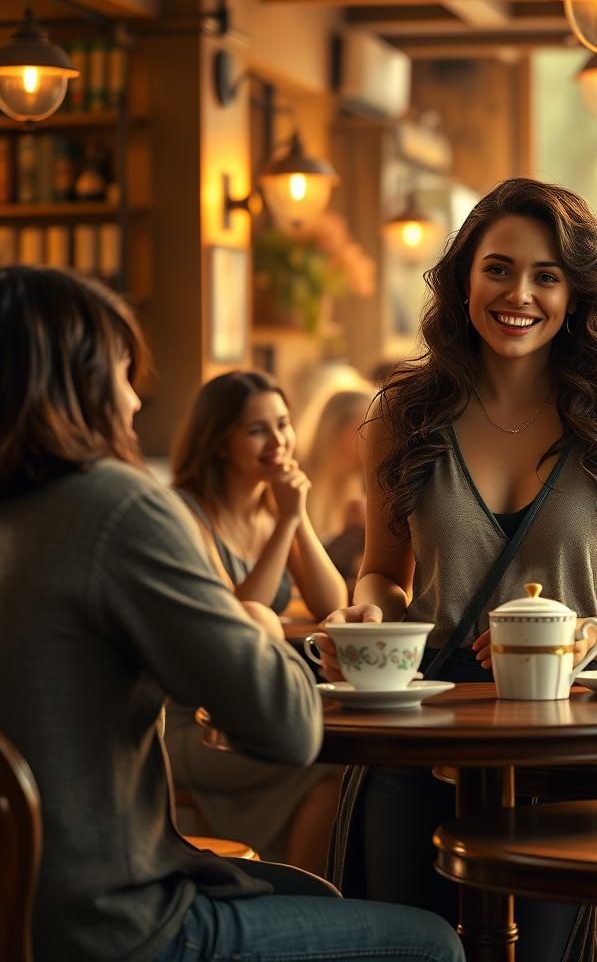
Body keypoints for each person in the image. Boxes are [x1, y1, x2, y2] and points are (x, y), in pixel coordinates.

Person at [0, 266, 464, 962]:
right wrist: (260, 627)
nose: (133, 399)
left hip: (23, 910)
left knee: (315, 898)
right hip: (111, 923)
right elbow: (285, 725)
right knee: (430, 943)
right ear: (76, 381)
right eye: (124, 372)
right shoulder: (117, 507)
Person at [327, 177, 597, 962]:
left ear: (576, 293)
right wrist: (369, 613)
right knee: (404, 946)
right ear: (464, 280)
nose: (518, 294)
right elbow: (382, 575)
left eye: (546, 276)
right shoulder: (402, 414)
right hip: (419, 733)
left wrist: (588, 634)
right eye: (498, 268)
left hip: (559, 740)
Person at [164, 371, 348, 872]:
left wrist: (297, 515)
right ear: (219, 441)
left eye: (283, 424)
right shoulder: (186, 514)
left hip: (257, 712)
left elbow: (333, 603)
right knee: (323, 773)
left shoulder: (274, 510)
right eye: (256, 430)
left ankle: (299, 894)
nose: (278, 441)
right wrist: (287, 520)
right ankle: (303, 898)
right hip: (195, 723)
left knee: (343, 771)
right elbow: (235, 623)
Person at [298, 387, 372, 595]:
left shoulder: (366, 486)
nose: (379, 436)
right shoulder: (296, 483)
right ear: (339, 429)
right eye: (368, 426)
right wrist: (352, 533)